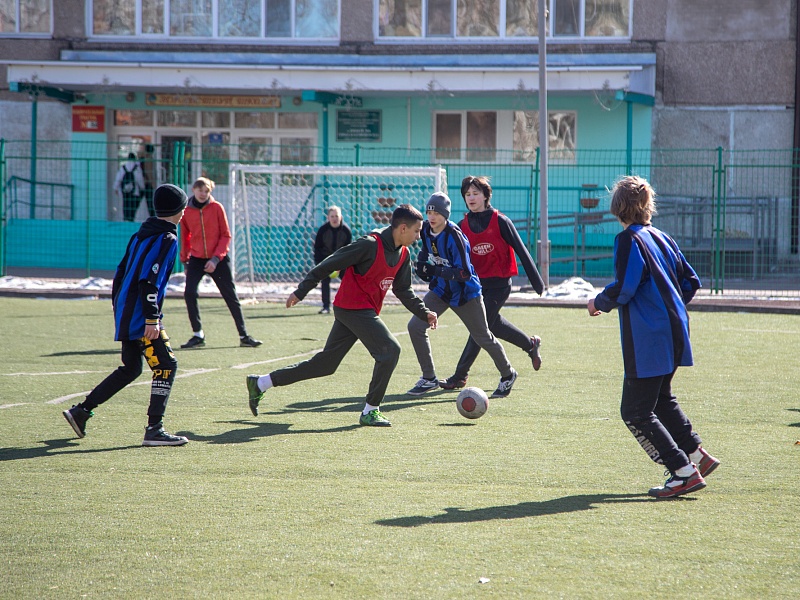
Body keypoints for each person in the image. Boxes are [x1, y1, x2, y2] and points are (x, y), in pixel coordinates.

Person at [587, 175, 719, 499]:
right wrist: (667, 307)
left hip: (650, 337)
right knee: (660, 399)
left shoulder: (628, 240)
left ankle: (683, 471)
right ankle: (697, 455)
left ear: (617, 208)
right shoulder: (662, 236)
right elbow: (691, 281)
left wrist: (598, 302)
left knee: (634, 411)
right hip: (677, 329)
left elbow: (625, 287)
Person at [246, 204, 437, 427]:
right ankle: (371, 410)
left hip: (361, 311)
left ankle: (261, 383)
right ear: (403, 228)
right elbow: (329, 264)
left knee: (325, 365)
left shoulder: (403, 254)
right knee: (390, 350)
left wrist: (424, 312)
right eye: (416, 231)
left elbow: (403, 290)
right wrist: (301, 290)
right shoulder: (369, 244)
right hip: (352, 308)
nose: (418, 236)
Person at [62, 184, 190, 446]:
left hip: (126, 310)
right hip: (141, 316)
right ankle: (154, 429)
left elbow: (120, 273)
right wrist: (151, 319)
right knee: (166, 366)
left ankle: (81, 412)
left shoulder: (140, 234)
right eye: (184, 207)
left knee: (130, 369)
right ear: (179, 210)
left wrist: (119, 308)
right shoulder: (167, 238)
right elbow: (149, 281)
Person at [407, 192, 518, 399]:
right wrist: (421, 266)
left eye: (436, 212)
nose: (432, 216)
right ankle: (429, 378)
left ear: (445, 214)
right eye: (429, 212)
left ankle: (508, 374)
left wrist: (435, 270)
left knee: (482, 337)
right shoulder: (425, 230)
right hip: (441, 290)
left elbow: (464, 273)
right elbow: (425, 253)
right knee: (415, 326)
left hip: (465, 293)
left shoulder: (455, 236)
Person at [439, 175, 545, 391]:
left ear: (486, 196)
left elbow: (521, 250)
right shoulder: (462, 226)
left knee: (479, 328)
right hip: (476, 287)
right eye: (467, 194)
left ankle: (460, 376)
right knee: (492, 324)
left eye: (476, 193)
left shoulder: (501, 221)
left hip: (499, 285)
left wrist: (537, 282)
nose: (471, 197)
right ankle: (530, 344)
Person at [179, 177, 262, 349]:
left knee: (230, 296)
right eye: (200, 190)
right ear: (193, 190)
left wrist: (216, 259)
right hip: (196, 259)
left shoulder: (217, 208)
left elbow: (226, 235)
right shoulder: (186, 211)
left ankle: (244, 336)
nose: (203, 194)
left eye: (206, 191)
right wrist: (185, 261)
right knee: (189, 293)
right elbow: (185, 237)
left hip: (219, 259)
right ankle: (198, 335)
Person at [313, 205, 352, 314]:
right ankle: (326, 306)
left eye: (337, 216)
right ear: (328, 217)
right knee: (325, 281)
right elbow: (317, 249)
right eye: (332, 216)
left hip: (341, 262)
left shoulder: (346, 231)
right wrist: (320, 265)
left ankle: (347, 305)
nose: (334, 218)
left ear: (341, 217)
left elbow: (348, 250)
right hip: (326, 261)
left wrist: (342, 265)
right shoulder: (323, 230)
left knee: (348, 281)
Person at [113, 152, 147, 222]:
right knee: (132, 207)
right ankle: (131, 219)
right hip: (134, 192)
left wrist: (115, 188)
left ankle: (126, 219)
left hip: (125, 191)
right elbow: (140, 179)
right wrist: (142, 188)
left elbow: (118, 178)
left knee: (125, 205)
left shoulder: (123, 167)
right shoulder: (136, 168)